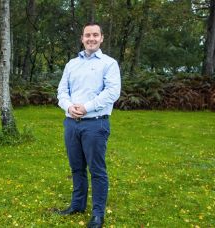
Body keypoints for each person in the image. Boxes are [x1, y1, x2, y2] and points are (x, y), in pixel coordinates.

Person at [56, 22, 121, 228]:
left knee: (97, 170)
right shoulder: (71, 64)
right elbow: (61, 92)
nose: (91, 38)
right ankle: (77, 206)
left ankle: (97, 214)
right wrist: (69, 107)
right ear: (82, 38)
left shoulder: (109, 64)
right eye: (87, 35)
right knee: (76, 168)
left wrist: (86, 107)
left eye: (95, 35)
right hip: (72, 123)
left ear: (102, 38)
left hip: (95, 124)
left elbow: (112, 92)